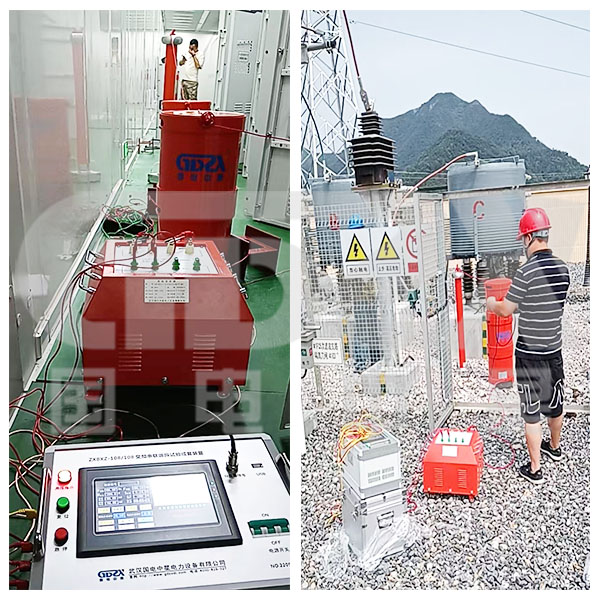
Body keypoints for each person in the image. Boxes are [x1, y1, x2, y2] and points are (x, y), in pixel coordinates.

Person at [486, 207, 570, 484]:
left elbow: (506, 310)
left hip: (529, 354)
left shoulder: (526, 272)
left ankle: (535, 469)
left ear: (530, 237)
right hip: (554, 350)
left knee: (532, 412)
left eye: (523, 238)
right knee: (555, 402)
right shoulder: (563, 269)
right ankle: (554, 448)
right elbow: (547, 304)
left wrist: (491, 303)